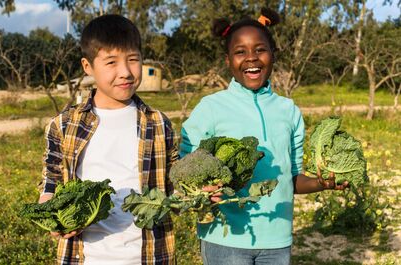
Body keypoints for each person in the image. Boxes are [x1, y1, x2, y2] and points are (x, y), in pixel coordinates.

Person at [180, 8, 348, 265]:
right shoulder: (211, 107)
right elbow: (185, 165)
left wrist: (322, 183)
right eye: (240, 52)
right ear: (228, 60)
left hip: (277, 240)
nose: (251, 59)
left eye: (260, 49)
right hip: (225, 239)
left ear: (273, 55)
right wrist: (202, 189)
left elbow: (292, 178)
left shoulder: (289, 110)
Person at [38, 14, 178, 265]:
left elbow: (174, 185)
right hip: (86, 256)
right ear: (87, 66)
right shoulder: (64, 125)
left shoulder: (158, 123)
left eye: (133, 60)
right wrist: (54, 218)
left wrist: (199, 191)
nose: (125, 72)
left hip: (149, 255)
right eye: (111, 62)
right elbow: (51, 182)